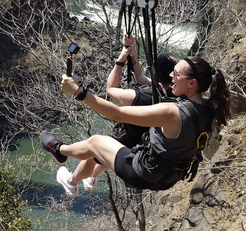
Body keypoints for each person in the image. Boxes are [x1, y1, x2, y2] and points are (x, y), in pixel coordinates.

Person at [41, 54, 231, 192]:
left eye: (176, 74)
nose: (171, 76)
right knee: (105, 149)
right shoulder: (209, 107)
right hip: (169, 177)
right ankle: (73, 170)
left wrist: (77, 92)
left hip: (142, 172)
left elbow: (117, 114)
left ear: (192, 83)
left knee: (96, 142)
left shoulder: (173, 112)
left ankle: (60, 150)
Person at [55, 34, 178, 196]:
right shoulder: (172, 93)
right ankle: (91, 177)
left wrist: (120, 60)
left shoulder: (144, 96)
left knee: (95, 153)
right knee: (106, 157)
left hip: (129, 132)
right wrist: (130, 53)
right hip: (142, 140)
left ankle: (72, 182)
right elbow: (140, 76)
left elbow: (111, 89)